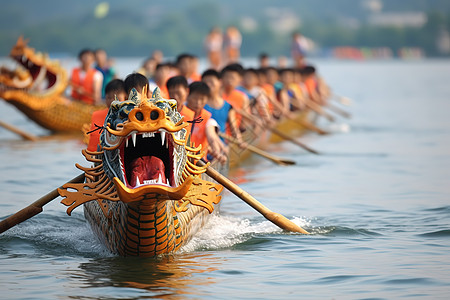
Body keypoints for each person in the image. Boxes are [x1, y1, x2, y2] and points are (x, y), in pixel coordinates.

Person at [186, 81, 227, 162]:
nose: (198, 103)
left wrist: (216, 152)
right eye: (195, 98)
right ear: (187, 96)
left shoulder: (209, 120)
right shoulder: (179, 114)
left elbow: (212, 137)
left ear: (207, 100)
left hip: (198, 161)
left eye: (202, 99)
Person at [201, 69, 242, 143]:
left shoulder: (228, 106)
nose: (208, 85)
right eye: (205, 83)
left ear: (220, 82)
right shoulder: (199, 105)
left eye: (211, 82)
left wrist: (239, 140)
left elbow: (234, 128)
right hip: (203, 145)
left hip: (221, 147)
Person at [86, 79, 126, 151]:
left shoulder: (128, 116)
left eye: (116, 98)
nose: (112, 101)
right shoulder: (96, 115)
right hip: (98, 155)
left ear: (126, 98)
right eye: (109, 98)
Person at [220, 63, 250, 131]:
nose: (229, 80)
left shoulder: (243, 97)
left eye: (232, 77)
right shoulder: (217, 95)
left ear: (239, 79)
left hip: (235, 132)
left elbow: (246, 118)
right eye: (227, 77)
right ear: (222, 78)